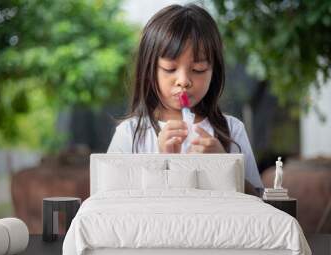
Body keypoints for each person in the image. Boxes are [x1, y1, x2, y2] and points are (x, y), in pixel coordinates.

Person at [107, 4, 263, 194]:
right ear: (149, 70)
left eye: (198, 70)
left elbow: (258, 202)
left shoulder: (231, 130)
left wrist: (224, 165)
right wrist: (161, 162)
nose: (183, 81)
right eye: (170, 68)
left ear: (214, 73)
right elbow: (109, 203)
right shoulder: (130, 135)